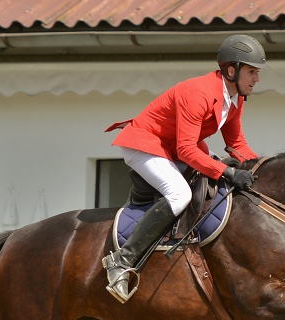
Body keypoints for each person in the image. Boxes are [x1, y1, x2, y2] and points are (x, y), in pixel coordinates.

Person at [102, 34, 268, 303]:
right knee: (180, 195)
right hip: (146, 145)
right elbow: (186, 151)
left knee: (225, 167)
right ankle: (122, 262)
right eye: (251, 71)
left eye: (257, 72)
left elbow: (237, 144)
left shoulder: (234, 99)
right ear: (231, 70)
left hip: (174, 145)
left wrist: (261, 169)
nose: (256, 79)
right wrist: (227, 172)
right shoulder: (197, 92)